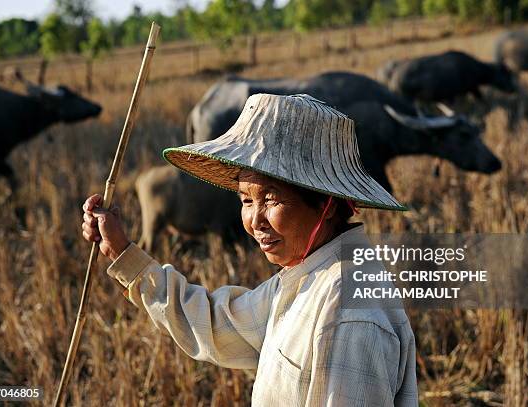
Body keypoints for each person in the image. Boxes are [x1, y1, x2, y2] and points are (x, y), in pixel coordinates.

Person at [81, 93, 418, 406]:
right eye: (245, 200)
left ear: (327, 204)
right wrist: (122, 253)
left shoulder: (349, 313)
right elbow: (217, 324)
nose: (255, 221)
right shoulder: (307, 275)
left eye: (270, 199)